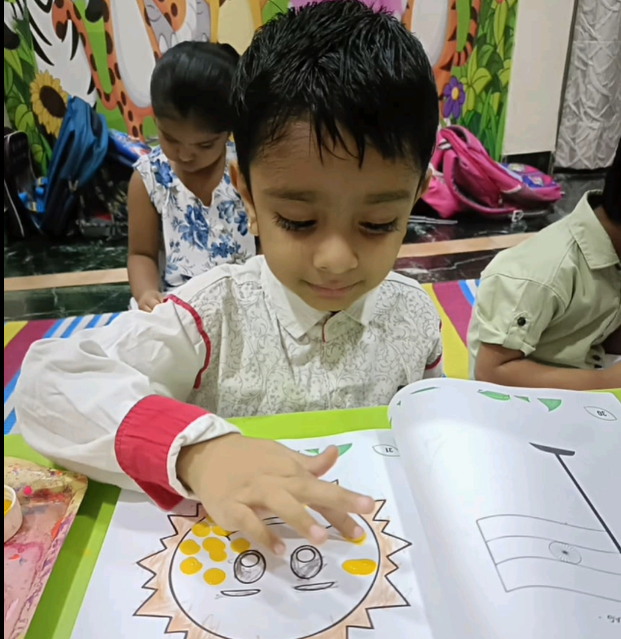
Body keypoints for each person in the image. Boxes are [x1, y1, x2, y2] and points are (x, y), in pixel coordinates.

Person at [16, 0, 441, 555]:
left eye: (378, 223)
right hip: (241, 570)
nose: (336, 258)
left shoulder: (415, 315)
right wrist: (199, 452)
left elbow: (428, 435)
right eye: (299, 220)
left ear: (417, 193)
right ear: (246, 190)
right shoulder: (213, 314)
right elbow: (49, 384)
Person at [468, 137, 621, 390]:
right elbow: (491, 371)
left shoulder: (613, 255)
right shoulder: (543, 273)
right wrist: (604, 382)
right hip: (516, 402)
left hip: (580, 376)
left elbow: (603, 332)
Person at [128, 41, 256, 312]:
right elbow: (141, 254)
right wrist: (147, 294)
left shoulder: (246, 170)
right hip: (176, 309)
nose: (185, 155)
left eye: (204, 145)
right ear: (156, 120)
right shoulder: (147, 179)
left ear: (228, 131)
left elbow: (267, 243)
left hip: (244, 303)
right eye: (170, 138)